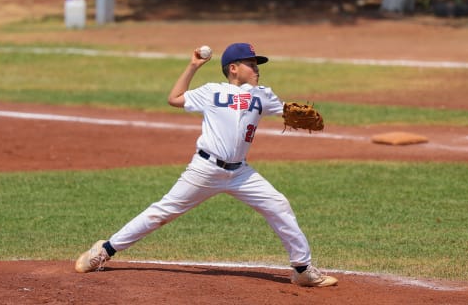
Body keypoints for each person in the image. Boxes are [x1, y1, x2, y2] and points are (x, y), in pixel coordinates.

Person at [75, 42, 337, 287]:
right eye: (251, 63)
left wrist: (296, 114)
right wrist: (193, 66)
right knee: (162, 212)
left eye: (257, 64)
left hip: (241, 173)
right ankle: (104, 250)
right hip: (205, 169)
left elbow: (286, 111)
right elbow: (175, 98)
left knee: (278, 204)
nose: (257, 68)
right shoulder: (212, 91)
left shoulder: (262, 95)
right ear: (233, 68)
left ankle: (302, 270)